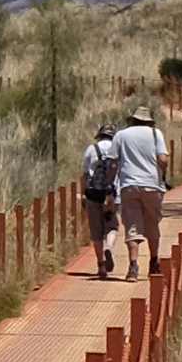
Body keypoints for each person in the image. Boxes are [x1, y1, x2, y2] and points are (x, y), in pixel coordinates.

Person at [111, 99, 169, 274]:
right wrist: (162, 175)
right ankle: (154, 262)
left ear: (133, 120)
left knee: (132, 225)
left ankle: (133, 265)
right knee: (152, 223)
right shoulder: (156, 134)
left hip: (129, 185)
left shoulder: (121, 135)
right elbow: (163, 159)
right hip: (152, 185)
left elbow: (113, 163)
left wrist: (111, 183)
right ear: (149, 121)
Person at [80, 116, 125, 276]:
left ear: (100, 135)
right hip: (111, 194)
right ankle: (109, 248)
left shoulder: (91, 149)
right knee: (112, 226)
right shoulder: (117, 149)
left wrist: (84, 194)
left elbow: (85, 174)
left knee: (96, 231)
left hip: (93, 194)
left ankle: (101, 266)